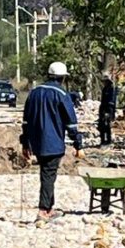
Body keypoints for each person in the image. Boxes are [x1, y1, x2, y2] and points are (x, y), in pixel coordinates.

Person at [20, 61, 83, 220]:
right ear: (62, 78)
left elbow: (26, 122)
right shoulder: (61, 94)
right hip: (53, 143)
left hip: (37, 143)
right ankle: (43, 211)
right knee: (48, 175)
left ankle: (49, 207)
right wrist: (78, 144)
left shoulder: (34, 93)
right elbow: (71, 123)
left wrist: (25, 143)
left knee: (46, 174)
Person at [97, 72, 118, 146]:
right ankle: (103, 140)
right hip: (103, 108)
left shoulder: (112, 89)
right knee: (102, 125)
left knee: (107, 125)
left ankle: (108, 140)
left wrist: (109, 112)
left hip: (109, 108)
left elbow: (112, 101)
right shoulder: (105, 89)